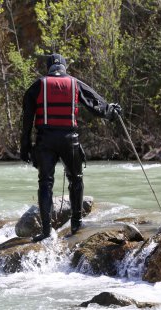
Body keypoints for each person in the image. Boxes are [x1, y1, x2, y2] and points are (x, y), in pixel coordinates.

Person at [20, 53, 121, 242]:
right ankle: (76, 223)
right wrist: (112, 111)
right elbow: (95, 104)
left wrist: (24, 147)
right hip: (69, 140)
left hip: (45, 141)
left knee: (45, 183)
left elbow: (27, 121)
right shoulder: (75, 84)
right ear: (64, 67)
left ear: (48, 68)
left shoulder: (37, 86)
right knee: (76, 179)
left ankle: (46, 231)